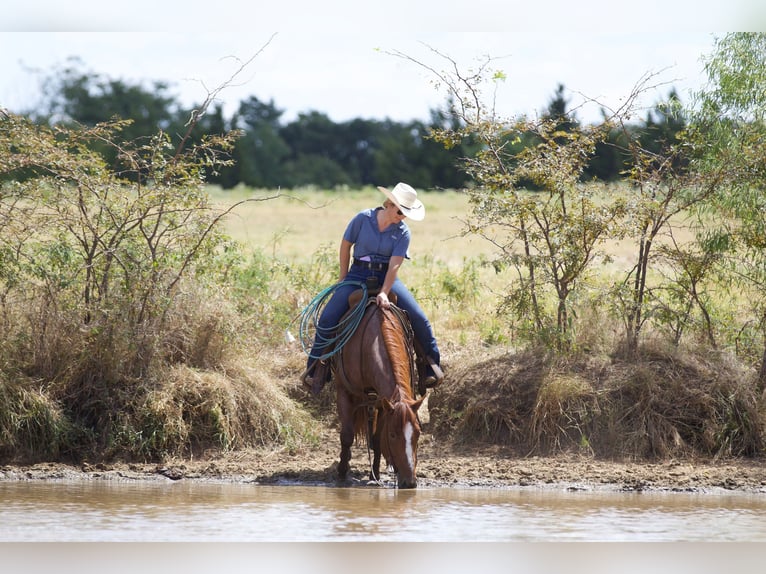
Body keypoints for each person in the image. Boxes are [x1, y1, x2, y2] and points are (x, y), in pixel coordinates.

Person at [302, 182, 443, 394]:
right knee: (328, 317)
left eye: (405, 213)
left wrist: (385, 292)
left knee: (419, 317)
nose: (401, 216)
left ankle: (430, 366)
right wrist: (342, 277)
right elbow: (345, 245)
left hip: (387, 276)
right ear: (389, 204)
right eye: (399, 211)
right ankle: (316, 370)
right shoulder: (362, 219)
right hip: (357, 273)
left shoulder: (403, 232)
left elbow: (395, 264)